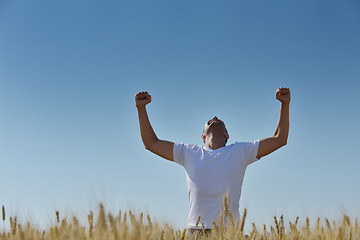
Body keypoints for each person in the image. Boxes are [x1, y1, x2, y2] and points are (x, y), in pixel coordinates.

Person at [135, 87, 290, 233]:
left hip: (229, 232)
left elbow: (279, 139)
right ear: (203, 136)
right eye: (211, 119)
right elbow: (151, 143)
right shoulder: (188, 152)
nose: (215, 116)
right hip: (195, 231)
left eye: (220, 120)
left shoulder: (240, 151)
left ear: (226, 135)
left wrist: (285, 104)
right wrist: (141, 109)